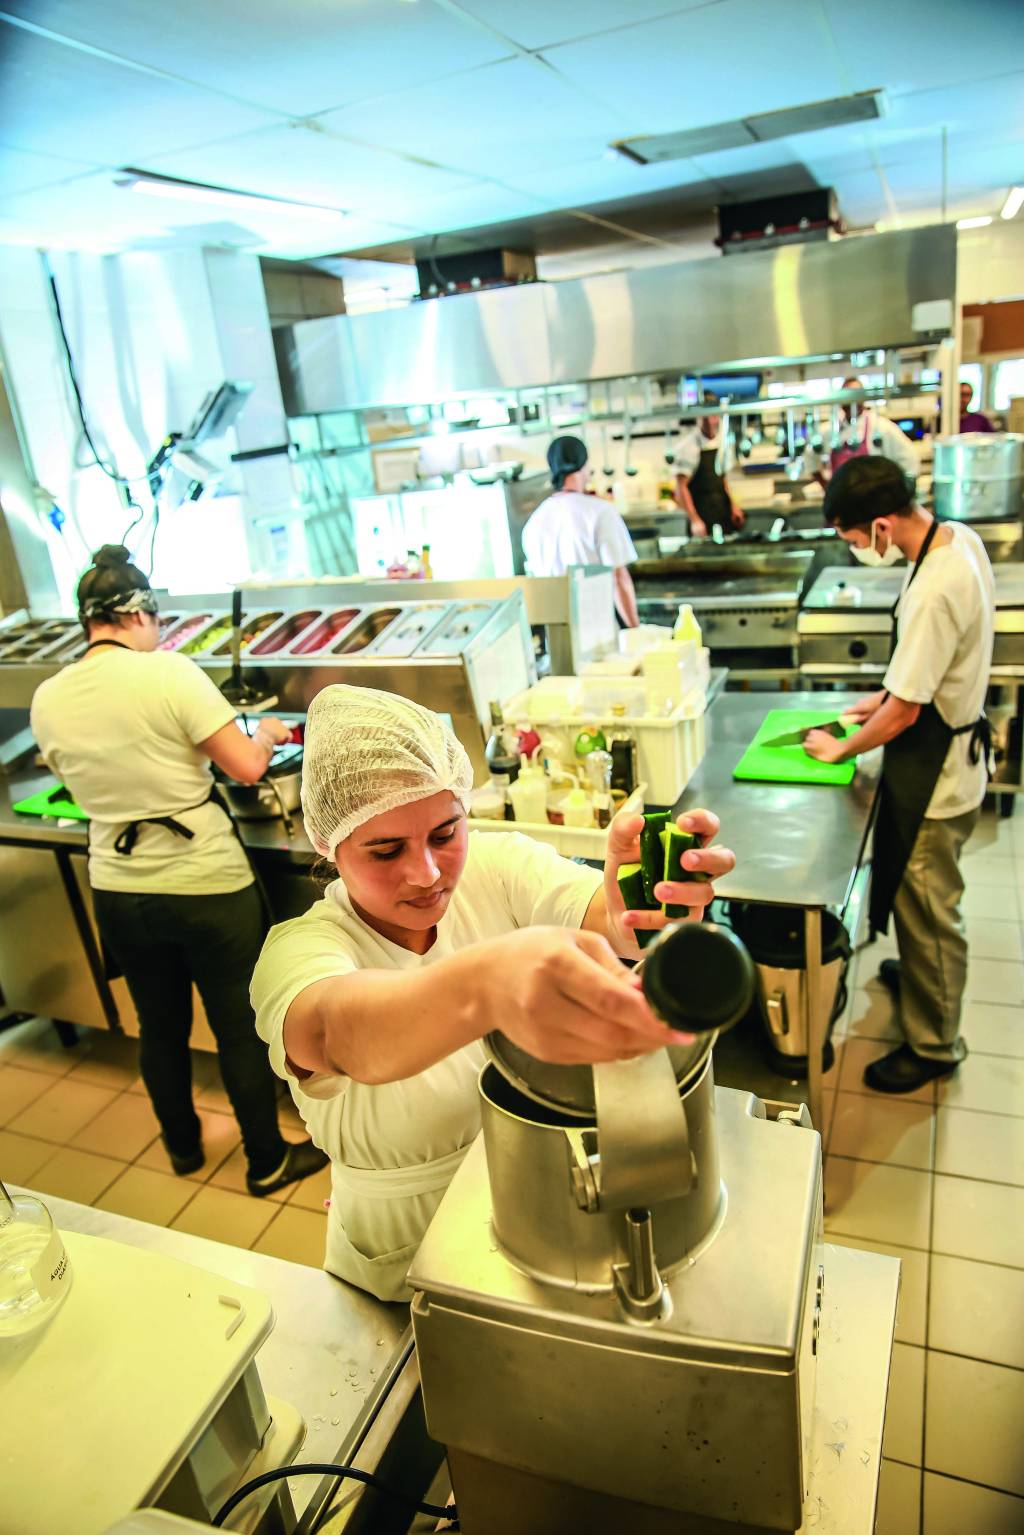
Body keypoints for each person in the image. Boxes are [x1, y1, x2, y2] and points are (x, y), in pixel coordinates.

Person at [251, 685, 735, 1300]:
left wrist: (640, 907)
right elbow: (337, 1030)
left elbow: (606, 921)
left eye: (445, 833)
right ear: (329, 845)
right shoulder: (298, 951)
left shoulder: (495, 868)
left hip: (531, 1216)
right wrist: (489, 985)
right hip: (401, 1257)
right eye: (386, 849)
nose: (426, 873)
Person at [30, 545, 328, 1196]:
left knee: (157, 1027)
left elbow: (74, 782)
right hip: (205, 883)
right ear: (138, 614)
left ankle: (184, 1150)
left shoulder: (48, 697)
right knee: (237, 1026)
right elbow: (246, 767)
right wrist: (271, 733)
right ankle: (266, 1160)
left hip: (117, 883)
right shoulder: (167, 673)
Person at [803, 459, 995, 1094]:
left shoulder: (937, 586)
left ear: (882, 525)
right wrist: (879, 696)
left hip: (937, 778)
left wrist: (842, 748)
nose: (858, 550)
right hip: (951, 748)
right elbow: (915, 682)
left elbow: (909, 712)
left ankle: (935, 1043)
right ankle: (920, 979)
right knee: (922, 907)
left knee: (931, 910)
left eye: (856, 539)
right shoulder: (954, 535)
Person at [521, 435, 640, 627]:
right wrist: (635, 630)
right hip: (597, 633)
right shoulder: (600, 512)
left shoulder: (533, 523)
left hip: (556, 637)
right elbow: (619, 578)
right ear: (584, 465)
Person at [805, 376, 919, 493]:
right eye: (847, 398)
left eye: (856, 397)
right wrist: (825, 486)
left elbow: (909, 460)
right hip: (841, 501)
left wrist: (896, 492)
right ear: (841, 402)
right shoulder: (829, 430)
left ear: (863, 400)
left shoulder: (882, 427)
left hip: (875, 499)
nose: (852, 403)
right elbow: (809, 458)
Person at [673, 395, 744, 538]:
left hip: (722, 512)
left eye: (712, 413)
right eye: (704, 415)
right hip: (701, 516)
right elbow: (681, 487)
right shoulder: (687, 446)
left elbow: (722, 479)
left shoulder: (723, 441)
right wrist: (694, 520)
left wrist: (734, 506)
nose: (709, 419)